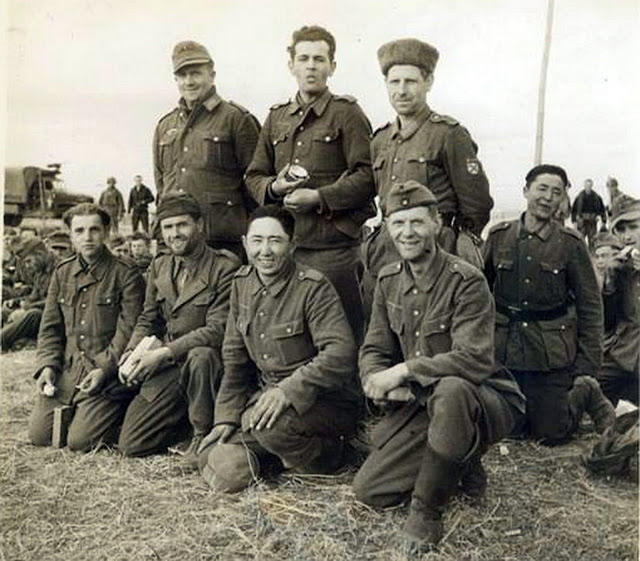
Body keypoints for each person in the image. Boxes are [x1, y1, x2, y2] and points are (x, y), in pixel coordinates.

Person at [353, 181, 524, 552]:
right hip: (421, 401)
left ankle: (427, 510)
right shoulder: (387, 279)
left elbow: (474, 359)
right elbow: (375, 346)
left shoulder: (466, 280)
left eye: (417, 222)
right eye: (398, 223)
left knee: (451, 389)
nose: (407, 232)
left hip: (483, 397)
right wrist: (373, 380)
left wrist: (403, 372)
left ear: (436, 223)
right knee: (370, 491)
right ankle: (461, 462)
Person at [197, 205, 361, 492]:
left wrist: (287, 391)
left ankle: (331, 454)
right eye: (257, 241)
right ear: (245, 244)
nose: (265, 251)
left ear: (292, 244)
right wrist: (225, 419)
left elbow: (340, 353)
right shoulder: (241, 284)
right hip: (267, 403)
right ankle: (277, 460)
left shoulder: (313, 286)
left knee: (271, 430)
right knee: (211, 455)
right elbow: (235, 363)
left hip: (324, 401)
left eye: (275, 241)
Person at [245, 25, 375, 342]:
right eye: (303, 59)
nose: (311, 66)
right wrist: (274, 188)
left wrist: (318, 197)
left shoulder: (347, 113)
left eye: (319, 59)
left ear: (332, 66)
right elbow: (254, 176)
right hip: (286, 250)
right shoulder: (276, 118)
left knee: (342, 337)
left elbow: (368, 175)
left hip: (334, 250)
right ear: (291, 65)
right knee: (291, 337)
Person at [483, 164, 615, 444]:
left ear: (563, 199)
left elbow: (590, 307)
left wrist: (587, 367)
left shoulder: (571, 244)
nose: (547, 197)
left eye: (556, 192)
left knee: (551, 433)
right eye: (541, 189)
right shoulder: (498, 236)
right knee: (508, 430)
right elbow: (479, 296)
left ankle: (585, 391)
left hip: (549, 356)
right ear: (526, 191)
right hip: (504, 351)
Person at [361, 38, 494, 315]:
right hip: (387, 248)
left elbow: (477, 202)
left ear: (428, 82)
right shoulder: (380, 140)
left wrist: (460, 240)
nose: (401, 90)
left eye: (410, 81)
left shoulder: (449, 134)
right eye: (394, 82)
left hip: (435, 249)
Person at [117, 192, 240, 464]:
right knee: (131, 444)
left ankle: (202, 434)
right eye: (168, 227)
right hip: (170, 366)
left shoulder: (224, 267)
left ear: (200, 225)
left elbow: (218, 329)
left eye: (182, 224)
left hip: (208, 367)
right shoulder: (160, 265)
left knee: (201, 356)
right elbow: (148, 318)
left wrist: (164, 352)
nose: (175, 234)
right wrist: (132, 352)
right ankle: (183, 426)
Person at [28, 203, 145, 451]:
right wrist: (47, 365)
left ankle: (122, 413)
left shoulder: (125, 273)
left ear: (106, 232)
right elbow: (50, 328)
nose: (87, 237)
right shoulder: (62, 272)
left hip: (106, 374)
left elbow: (128, 331)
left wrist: (104, 369)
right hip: (69, 372)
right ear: (71, 236)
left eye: (94, 229)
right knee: (40, 435)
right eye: (79, 231)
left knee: (80, 442)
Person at [153, 40, 261, 259]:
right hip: (175, 244)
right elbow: (161, 184)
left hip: (222, 244)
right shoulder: (165, 126)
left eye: (196, 73)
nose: (189, 81)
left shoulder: (236, 119)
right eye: (182, 75)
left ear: (212, 74)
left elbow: (256, 184)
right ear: (175, 80)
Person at [596, 197, 640, 406]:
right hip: (623, 354)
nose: (627, 236)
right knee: (584, 388)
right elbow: (607, 322)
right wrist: (610, 281)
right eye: (621, 230)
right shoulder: (622, 267)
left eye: (633, 227)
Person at [1, 247, 51, 351]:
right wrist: (16, 302)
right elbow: (33, 296)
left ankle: (2, 340)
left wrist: (28, 307)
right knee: (5, 310)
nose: (27, 266)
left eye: (29, 261)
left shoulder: (55, 272)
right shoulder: (39, 273)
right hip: (39, 310)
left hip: (50, 316)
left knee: (33, 314)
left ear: (40, 255)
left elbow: (53, 301)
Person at [571, 178, 607, 249]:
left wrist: (604, 221)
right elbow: (574, 210)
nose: (588, 187)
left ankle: (592, 254)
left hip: (592, 222)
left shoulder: (597, 197)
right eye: (587, 186)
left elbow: (602, 210)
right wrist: (574, 221)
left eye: (589, 186)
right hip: (581, 223)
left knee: (593, 241)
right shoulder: (579, 197)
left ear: (591, 186)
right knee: (580, 241)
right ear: (584, 186)